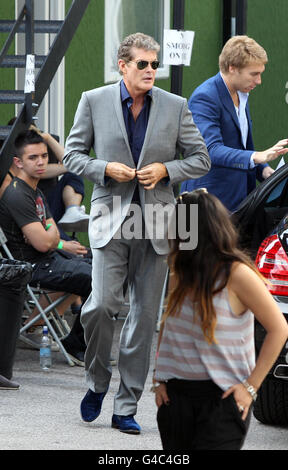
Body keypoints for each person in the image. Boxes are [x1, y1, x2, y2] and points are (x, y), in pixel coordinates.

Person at [63, 32, 210, 434]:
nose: (150, 71)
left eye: (154, 64)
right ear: (122, 65)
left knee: (144, 319)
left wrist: (166, 170)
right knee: (99, 307)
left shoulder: (176, 106)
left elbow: (201, 158)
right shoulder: (93, 100)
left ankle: (125, 404)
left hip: (160, 220)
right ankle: (95, 381)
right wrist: (103, 168)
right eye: (142, 64)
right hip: (110, 215)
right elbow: (72, 154)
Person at [153, 189, 288, 450]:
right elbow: (168, 324)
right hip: (176, 398)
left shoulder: (237, 273)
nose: (169, 233)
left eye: (174, 226)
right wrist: (159, 379)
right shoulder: (180, 270)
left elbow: (279, 328)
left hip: (222, 401)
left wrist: (251, 387)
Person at [0, 130, 93, 366]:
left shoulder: (36, 191)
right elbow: (43, 241)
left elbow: (50, 232)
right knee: (95, 278)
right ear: (18, 162)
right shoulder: (17, 195)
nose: (41, 161)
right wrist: (49, 236)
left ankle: (81, 340)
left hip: (49, 257)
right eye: (33, 158)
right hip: (32, 266)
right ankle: (77, 344)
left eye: (43, 156)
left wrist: (50, 237)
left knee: (105, 263)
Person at [181, 35, 288, 212]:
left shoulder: (242, 93)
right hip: (209, 204)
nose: (259, 81)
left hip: (240, 201)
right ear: (232, 68)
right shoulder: (205, 97)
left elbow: (241, 145)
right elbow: (210, 150)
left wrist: (264, 171)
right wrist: (256, 157)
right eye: (254, 74)